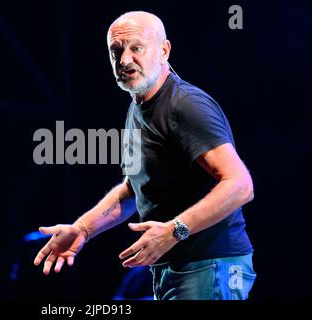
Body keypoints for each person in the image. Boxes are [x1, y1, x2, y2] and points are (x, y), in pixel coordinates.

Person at [34, 11, 256, 300]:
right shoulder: (139, 105)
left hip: (210, 265)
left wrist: (175, 230)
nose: (124, 60)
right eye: (116, 51)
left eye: (136, 48)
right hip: (177, 268)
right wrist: (83, 229)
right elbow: (135, 188)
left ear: (163, 51)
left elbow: (240, 184)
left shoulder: (185, 106)